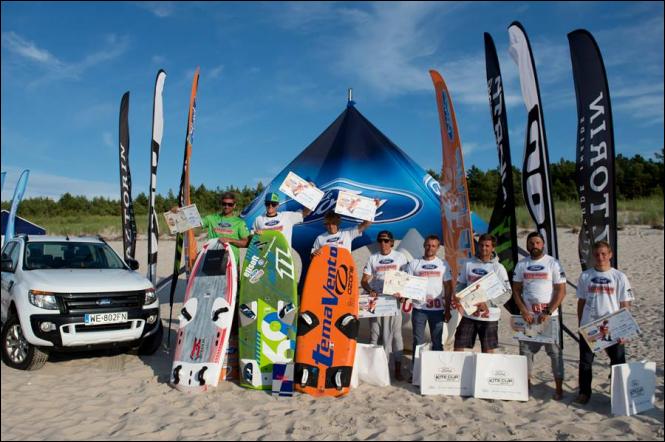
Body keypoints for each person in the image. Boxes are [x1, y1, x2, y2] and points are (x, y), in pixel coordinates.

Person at [574, 240, 633, 405]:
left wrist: (624, 330)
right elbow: (581, 302)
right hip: (590, 327)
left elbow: (625, 304)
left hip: (612, 326)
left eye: (604, 254)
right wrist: (581, 325)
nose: (600, 257)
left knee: (618, 362)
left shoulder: (619, 276)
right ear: (593, 256)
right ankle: (584, 393)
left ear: (610, 255)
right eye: (597, 254)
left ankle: (618, 393)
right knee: (586, 362)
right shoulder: (586, 275)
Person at [512, 231, 567, 400]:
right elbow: (516, 290)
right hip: (528, 318)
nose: (534, 246)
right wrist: (523, 310)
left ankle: (559, 389)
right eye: (531, 243)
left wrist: (548, 311)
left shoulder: (553, 263)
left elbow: (561, 291)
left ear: (542, 244)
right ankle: (526, 386)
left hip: (549, 317)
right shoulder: (522, 265)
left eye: (537, 243)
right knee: (526, 352)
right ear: (527, 246)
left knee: (555, 353)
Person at [361, 230, 409, 381]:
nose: (383, 243)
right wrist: (370, 290)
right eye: (380, 240)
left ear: (392, 242)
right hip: (377, 301)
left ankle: (397, 369)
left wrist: (404, 295)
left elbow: (407, 279)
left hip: (393, 301)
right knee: (375, 334)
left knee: (396, 335)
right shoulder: (373, 258)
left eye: (386, 240)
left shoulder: (400, 257)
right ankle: (372, 368)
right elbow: (363, 280)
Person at [453, 233, 512, 354]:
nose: (484, 248)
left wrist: (488, 304)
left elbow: (508, 292)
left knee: (488, 349)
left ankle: (486, 373)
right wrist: (460, 298)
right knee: (459, 344)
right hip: (470, 314)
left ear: (493, 248)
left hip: (489, 315)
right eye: (481, 245)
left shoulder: (498, 268)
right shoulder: (468, 264)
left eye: (487, 245)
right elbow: (460, 285)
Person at [404, 235, 453, 358]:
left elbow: (448, 287)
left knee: (437, 343)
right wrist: (402, 295)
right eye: (428, 245)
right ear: (424, 245)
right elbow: (406, 285)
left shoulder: (443, 264)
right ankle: (416, 374)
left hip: (437, 310)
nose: (430, 248)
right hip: (419, 310)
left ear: (437, 248)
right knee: (418, 342)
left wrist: (447, 310)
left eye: (433, 246)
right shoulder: (414, 263)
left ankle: (435, 372)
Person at [174, 192, 250, 267]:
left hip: (230, 262)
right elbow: (194, 223)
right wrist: (178, 212)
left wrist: (231, 240)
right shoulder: (211, 218)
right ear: (221, 204)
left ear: (234, 206)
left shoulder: (240, 223)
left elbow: (245, 243)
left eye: (230, 204)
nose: (226, 206)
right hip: (212, 258)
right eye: (224, 204)